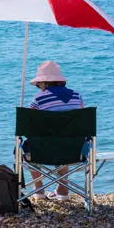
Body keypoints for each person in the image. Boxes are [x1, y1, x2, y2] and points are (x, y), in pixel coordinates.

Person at [27, 61, 84, 201]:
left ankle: (39, 189)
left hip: (43, 151)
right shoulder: (77, 96)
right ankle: (62, 189)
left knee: (30, 146)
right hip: (75, 150)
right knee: (65, 139)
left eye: (39, 84)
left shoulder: (39, 99)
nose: (39, 87)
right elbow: (80, 124)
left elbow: (28, 124)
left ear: (44, 83)